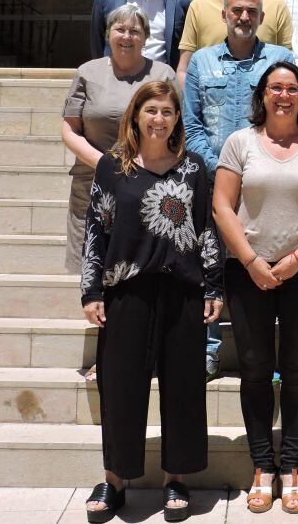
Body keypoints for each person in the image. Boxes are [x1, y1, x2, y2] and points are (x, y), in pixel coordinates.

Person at [80, 80, 223, 524]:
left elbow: (207, 230)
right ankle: (115, 480)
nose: (159, 119)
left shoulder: (195, 169)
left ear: (177, 118)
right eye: (151, 110)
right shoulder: (111, 168)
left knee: (182, 388)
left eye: (167, 111)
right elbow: (96, 230)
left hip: (182, 291)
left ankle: (174, 479)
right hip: (127, 291)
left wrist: (214, 287)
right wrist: (92, 291)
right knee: (121, 388)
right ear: (136, 116)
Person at [213, 61, 298, 515]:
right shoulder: (240, 142)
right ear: (263, 95)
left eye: (291, 88)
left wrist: (296, 258)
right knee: (253, 368)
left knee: (296, 370)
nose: (283, 95)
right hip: (246, 271)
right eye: (275, 88)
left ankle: (291, 467)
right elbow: (222, 205)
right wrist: (251, 261)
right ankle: (261, 467)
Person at [184, 0, 293, 380]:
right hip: (214, 183)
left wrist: (263, 169)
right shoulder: (202, 61)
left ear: (262, 17)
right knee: (209, 264)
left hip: (270, 185)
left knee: (268, 264)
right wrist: (225, 171)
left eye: (251, 11)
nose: (244, 17)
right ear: (225, 16)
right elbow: (192, 125)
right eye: (237, 11)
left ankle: (270, 356)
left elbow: (292, 115)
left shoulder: (281, 60)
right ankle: (209, 350)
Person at [63, 3, 176, 279]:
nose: (127, 37)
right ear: (107, 33)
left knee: (141, 268)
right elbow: (69, 129)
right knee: (94, 269)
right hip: (94, 181)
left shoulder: (163, 75)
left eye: (135, 31)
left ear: (146, 37)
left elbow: (174, 129)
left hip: (149, 183)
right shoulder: (87, 72)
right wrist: (105, 164)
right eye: (120, 29)